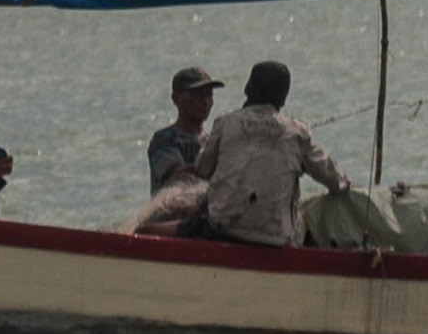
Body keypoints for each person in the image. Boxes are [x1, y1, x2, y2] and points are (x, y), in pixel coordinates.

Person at [164, 59, 349, 247]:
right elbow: (335, 179)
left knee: (151, 231)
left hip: (222, 230)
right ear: (283, 96)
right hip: (276, 239)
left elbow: (202, 168)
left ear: (248, 88)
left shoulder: (225, 122)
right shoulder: (297, 132)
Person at [145, 67, 222, 196]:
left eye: (209, 94)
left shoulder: (210, 142)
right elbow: (178, 177)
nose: (205, 101)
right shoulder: (164, 140)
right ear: (176, 99)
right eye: (197, 95)